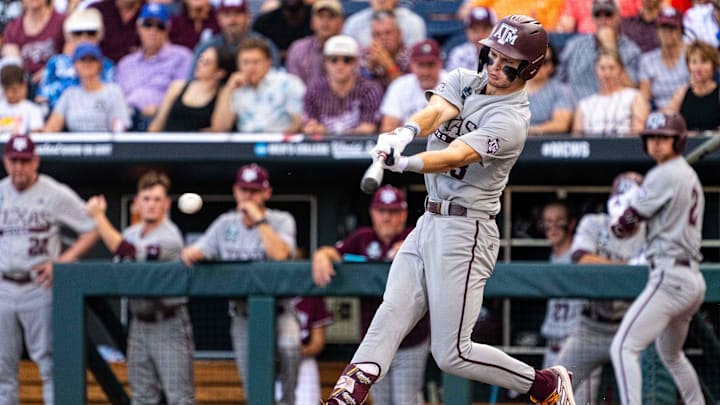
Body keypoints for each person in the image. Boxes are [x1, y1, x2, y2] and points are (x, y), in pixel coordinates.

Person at [321, 15, 577, 405]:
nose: (494, 66)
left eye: (507, 62)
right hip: (429, 219)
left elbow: (456, 155)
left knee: (452, 353)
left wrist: (405, 164)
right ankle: (349, 391)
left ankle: (544, 384)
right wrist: (404, 132)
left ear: (528, 69)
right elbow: (437, 113)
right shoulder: (463, 79)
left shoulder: (511, 120)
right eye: (492, 55)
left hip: (467, 230)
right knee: (394, 307)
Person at [181, 163, 300, 405]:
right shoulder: (225, 224)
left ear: (266, 193)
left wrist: (259, 221)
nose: (248, 196)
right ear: (236, 191)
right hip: (243, 315)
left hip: (279, 311)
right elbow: (196, 251)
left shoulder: (281, 220)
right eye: (244, 190)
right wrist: (194, 253)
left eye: (255, 191)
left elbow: (280, 254)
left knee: (290, 346)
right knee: (253, 386)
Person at [610, 111, 706, 405]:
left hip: (670, 276)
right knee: (671, 355)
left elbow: (625, 224)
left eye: (664, 138)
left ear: (678, 141)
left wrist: (620, 217)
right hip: (691, 281)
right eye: (652, 138)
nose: (656, 144)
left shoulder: (663, 173)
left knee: (623, 347)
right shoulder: (687, 175)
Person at [0, 133, 98, 405]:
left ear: (35, 161)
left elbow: (91, 229)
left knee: (50, 364)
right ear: (6, 161)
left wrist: (62, 263)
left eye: (24, 160)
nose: (18, 167)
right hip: (3, 286)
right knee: (1, 370)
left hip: (38, 286)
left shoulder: (54, 192)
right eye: (13, 161)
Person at [313, 185, 431, 405]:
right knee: (382, 401)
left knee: (405, 401)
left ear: (404, 214)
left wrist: (413, 250)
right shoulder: (362, 238)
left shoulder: (415, 237)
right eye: (382, 211)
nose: (387, 217)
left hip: (411, 340)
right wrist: (322, 254)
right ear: (373, 213)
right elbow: (334, 252)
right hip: (373, 340)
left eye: (393, 212)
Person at [85, 171, 194, 405]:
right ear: (136, 203)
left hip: (169, 323)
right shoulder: (131, 233)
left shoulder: (170, 236)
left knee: (179, 398)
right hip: (139, 324)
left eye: (157, 199)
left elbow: (128, 252)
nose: (151, 204)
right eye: (146, 198)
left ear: (166, 204)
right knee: (143, 396)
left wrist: (99, 217)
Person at [554, 172, 647, 405]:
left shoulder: (652, 232)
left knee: (646, 395)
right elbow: (580, 257)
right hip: (590, 329)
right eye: (619, 200)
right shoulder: (594, 223)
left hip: (632, 330)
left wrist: (613, 266)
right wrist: (625, 267)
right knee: (556, 389)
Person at [116, 3, 193, 131]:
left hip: (162, 120)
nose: (153, 31)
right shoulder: (126, 63)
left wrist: (160, 108)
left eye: (160, 26)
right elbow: (117, 97)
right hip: (128, 119)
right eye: (148, 25)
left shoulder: (181, 56)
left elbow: (183, 95)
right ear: (139, 27)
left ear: (167, 30)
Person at [211, 37, 305, 133]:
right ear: (238, 65)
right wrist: (228, 89)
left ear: (269, 63)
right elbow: (220, 128)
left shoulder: (289, 83)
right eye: (245, 62)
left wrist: (279, 141)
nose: (251, 68)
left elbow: (299, 124)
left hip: (278, 143)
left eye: (256, 62)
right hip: (244, 144)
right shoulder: (235, 87)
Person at [557, 0, 642, 102]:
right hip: (577, 108)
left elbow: (631, 89)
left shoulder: (631, 50)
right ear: (592, 18)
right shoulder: (575, 46)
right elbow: (559, 81)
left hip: (614, 109)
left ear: (618, 17)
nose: (603, 20)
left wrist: (610, 46)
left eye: (608, 14)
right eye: (598, 15)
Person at [36, 8, 115, 111]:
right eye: (77, 33)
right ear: (70, 36)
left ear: (99, 35)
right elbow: (42, 97)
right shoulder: (55, 63)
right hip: (58, 117)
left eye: (91, 33)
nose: (84, 38)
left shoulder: (108, 65)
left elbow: (110, 99)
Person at [302, 35, 383, 135]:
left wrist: (327, 133)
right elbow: (310, 126)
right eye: (334, 59)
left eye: (347, 60)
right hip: (322, 147)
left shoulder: (370, 89)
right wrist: (313, 128)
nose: (340, 66)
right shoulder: (314, 90)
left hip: (361, 148)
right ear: (325, 62)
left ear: (356, 63)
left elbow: (368, 128)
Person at [537, 201, 584, 371]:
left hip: (577, 342)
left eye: (559, 221)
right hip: (552, 343)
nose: (553, 227)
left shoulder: (581, 256)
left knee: (578, 398)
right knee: (548, 397)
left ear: (571, 223)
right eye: (548, 222)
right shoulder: (551, 257)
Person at [44, 43, 131, 132]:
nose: (87, 64)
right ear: (75, 65)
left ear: (100, 64)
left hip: (105, 141)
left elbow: (120, 126)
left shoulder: (113, 91)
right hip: (75, 143)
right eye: (83, 59)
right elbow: (53, 126)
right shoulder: (69, 94)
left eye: (92, 59)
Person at [148, 44, 235, 132]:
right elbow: (159, 122)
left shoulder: (224, 94)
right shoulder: (178, 87)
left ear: (219, 73)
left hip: (199, 144)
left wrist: (230, 88)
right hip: (169, 142)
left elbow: (220, 129)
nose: (199, 64)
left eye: (206, 62)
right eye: (200, 59)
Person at [188, 0, 280, 75]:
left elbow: (273, 80)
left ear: (248, 18)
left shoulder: (264, 45)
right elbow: (193, 80)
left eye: (238, 14)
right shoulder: (207, 47)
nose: (232, 20)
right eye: (227, 14)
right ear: (219, 18)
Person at [572, 49, 648, 137]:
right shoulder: (584, 104)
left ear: (620, 70)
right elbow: (578, 138)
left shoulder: (634, 96)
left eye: (612, 68)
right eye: (602, 68)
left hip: (623, 147)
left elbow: (639, 131)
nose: (607, 74)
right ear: (596, 70)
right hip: (594, 148)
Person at [379, 39, 447, 132]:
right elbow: (388, 128)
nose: (425, 72)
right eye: (421, 65)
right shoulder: (399, 86)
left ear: (440, 64)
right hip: (409, 144)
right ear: (412, 65)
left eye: (431, 65)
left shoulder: (452, 83)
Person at [1, 0, 65, 86]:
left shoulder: (62, 21)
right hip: (23, 84)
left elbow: (68, 57)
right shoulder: (13, 27)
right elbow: (12, 62)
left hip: (54, 82)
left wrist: (48, 72)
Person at [638, 6, 688, 110]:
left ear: (681, 31)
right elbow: (644, 98)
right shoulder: (647, 60)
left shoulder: (690, 56)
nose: (667, 33)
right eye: (663, 28)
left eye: (672, 28)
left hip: (687, 110)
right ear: (657, 30)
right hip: (657, 113)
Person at [664, 40, 720, 133]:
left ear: (713, 65)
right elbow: (669, 122)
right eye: (694, 62)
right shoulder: (682, 93)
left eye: (704, 61)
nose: (698, 67)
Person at [285, 0, 344, 86]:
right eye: (320, 16)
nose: (325, 21)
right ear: (312, 22)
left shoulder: (353, 50)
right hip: (304, 98)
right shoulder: (298, 49)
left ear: (341, 23)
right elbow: (294, 87)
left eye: (331, 16)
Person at [290, 296, 334, 404]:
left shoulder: (313, 298)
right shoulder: (276, 296)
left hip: (305, 362)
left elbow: (317, 344)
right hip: (275, 364)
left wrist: (293, 352)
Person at [527, 44, 574, 135]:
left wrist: (530, 131)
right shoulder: (512, 88)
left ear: (552, 66)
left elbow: (561, 124)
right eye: (533, 60)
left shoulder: (560, 90)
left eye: (544, 62)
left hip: (544, 143)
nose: (538, 66)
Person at [359, 10, 410, 90]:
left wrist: (389, 66)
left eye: (388, 33)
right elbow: (356, 92)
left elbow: (406, 92)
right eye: (377, 34)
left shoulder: (410, 55)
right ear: (372, 37)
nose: (383, 38)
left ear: (399, 34)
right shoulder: (365, 55)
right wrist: (369, 68)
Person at [341, 0, 425, 48]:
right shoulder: (353, 23)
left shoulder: (413, 22)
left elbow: (415, 61)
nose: (381, 0)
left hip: (403, 74)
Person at [446, 6, 496, 72]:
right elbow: (453, 81)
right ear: (467, 31)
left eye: (485, 29)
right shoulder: (459, 54)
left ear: (494, 30)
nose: (480, 35)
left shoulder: (502, 55)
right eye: (474, 30)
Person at [0, 63, 44, 133]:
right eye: (6, 89)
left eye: (14, 90)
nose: (9, 95)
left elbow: (36, 137)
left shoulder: (33, 110)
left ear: (23, 86)